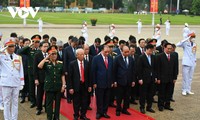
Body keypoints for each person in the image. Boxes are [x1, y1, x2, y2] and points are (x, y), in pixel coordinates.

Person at [38, 46, 66, 120]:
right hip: (49, 86)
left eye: (55, 54)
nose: (54, 56)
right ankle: (49, 117)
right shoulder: (47, 63)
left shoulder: (60, 63)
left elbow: (62, 75)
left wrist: (63, 85)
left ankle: (56, 117)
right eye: (52, 54)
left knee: (57, 103)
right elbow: (39, 66)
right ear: (49, 55)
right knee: (49, 104)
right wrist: (46, 58)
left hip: (58, 86)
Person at [0, 38, 24, 120]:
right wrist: (1, 50)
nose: (12, 48)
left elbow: (21, 70)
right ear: (6, 47)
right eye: (10, 46)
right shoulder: (2, 56)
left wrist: (22, 82)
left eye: (13, 46)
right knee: (6, 103)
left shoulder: (18, 57)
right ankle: (7, 119)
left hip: (16, 82)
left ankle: (14, 118)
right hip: (6, 82)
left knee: (15, 102)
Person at [18, 34, 41, 108]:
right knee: (31, 88)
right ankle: (32, 101)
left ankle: (39, 102)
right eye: (34, 41)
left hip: (39, 71)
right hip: (31, 71)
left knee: (40, 88)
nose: (36, 43)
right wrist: (28, 46)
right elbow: (19, 52)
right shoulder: (29, 49)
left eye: (37, 42)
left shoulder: (40, 50)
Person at [68, 48, 91, 120]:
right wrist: (70, 87)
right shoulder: (72, 64)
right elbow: (69, 77)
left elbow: (89, 75)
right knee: (76, 102)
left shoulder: (87, 63)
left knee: (85, 101)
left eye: (83, 54)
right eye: (80, 54)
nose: (82, 56)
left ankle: (83, 115)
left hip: (85, 85)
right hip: (76, 85)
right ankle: (76, 115)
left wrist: (90, 85)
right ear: (76, 55)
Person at [92, 45, 113, 119]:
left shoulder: (110, 58)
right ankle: (99, 112)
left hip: (108, 82)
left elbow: (112, 71)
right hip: (99, 82)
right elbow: (93, 71)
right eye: (105, 52)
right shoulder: (96, 58)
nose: (107, 53)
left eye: (108, 52)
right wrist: (94, 82)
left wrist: (112, 81)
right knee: (100, 99)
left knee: (106, 99)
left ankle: (104, 112)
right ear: (101, 51)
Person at [113, 46, 135, 116]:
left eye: (128, 52)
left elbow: (133, 70)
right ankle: (118, 109)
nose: (127, 53)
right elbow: (114, 71)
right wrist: (115, 81)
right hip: (120, 81)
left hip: (128, 81)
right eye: (125, 52)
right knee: (119, 97)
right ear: (122, 51)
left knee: (127, 96)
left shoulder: (131, 59)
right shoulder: (117, 59)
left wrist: (133, 80)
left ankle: (125, 109)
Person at [157, 43, 178, 112]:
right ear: (164, 48)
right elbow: (158, 68)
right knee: (162, 92)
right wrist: (158, 78)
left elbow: (175, 68)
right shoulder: (160, 56)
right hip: (162, 78)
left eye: (170, 48)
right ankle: (160, 105)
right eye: (168, 48)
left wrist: (175, 77)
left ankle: (167, 105)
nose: (169, 50)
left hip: (171, 78)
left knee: (169, 92)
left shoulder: (173, 56)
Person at [137, 44, 156, 114]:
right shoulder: (141, 57)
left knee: (150, 94)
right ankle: (142, 107)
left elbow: (154, 68)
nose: (151, 52)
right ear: (146, 49)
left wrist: (155, 77)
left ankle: (149, 107)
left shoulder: (153, 57)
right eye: (150, 51)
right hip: (144, 79)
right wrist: (140, 78)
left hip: (152, 78)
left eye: (152, 51)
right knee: (143, 94)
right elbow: (139, 69)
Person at [34, 41, 49, 115]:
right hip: (40, 77)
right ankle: (39, 108)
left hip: (49, 77)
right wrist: (36, 78)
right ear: (41, 47)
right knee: (40, 94)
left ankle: (47, 107)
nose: (46, 48)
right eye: (44, 46)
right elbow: (35, 67)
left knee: (48, 94)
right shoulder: (37, 55)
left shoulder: (50, 54)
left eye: (47, 46)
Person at [63, 37, 79, 103]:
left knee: (75, 82)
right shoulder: (67, 49)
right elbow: (65, 60)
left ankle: (74, 97)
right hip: (69, 69)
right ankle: (69, 97)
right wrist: (65, 70)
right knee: (69, 83)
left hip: (76, 68)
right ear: (71, 42)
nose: (75, 45)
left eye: (76, 44)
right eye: (74, 43)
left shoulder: (78, 49)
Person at [83, 44, 93, 110]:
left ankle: (88, 105)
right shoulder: (80, 57)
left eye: (88, 49)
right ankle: (82, 105)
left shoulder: (92, 57)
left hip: (90, 77)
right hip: (83, 77)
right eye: (86, 49)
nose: (87, 51)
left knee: (89, 92)